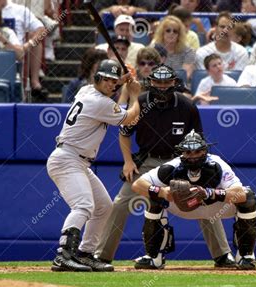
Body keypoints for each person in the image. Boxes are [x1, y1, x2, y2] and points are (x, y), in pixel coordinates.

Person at [95, 64, 236, 269]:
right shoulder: (141, 103)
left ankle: (223, 255)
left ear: (174, 83)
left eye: (166, 82)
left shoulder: (187, 106)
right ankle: (102, 255)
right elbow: (124, 134)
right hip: (147, 161)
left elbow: (198, 142)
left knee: (201, 197)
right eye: (157, 82)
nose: (162, 86)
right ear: (150, 82)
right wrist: (128, 161)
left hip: (181, 161)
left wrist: (195, 167)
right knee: (121, 202)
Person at [47, 59, 142, 272]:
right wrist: (134, 92)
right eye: (105, 80)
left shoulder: (85, 91)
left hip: (76, 160)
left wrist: (122, 81)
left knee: (104, 207)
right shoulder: (101, 103)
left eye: (112, 81)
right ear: (97, 79)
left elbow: (112, 95)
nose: (109, 84)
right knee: (83, 205)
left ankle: (85, 253)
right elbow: (130, 119)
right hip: (67, 159)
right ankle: (63, 255)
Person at [131, 130, 256, 270]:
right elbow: (137, 185)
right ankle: (154, 257)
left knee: (249, 197)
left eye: (197, 152)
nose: (192, 157)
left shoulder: (217, 163)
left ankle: (245, 256)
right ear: (182, 152)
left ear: (204, 151)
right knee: (154, 197)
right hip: (183, 207)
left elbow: (240, 193)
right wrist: (162, 192)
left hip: (215, 206)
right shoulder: (172, 166)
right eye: (188, 152)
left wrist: (209, 193)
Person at [0, 0, 48, 101]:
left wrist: (27, 46)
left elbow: (41, 30)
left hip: (14, 58)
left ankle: (33, 82)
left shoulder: (20, 10)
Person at [152, 15, 196, 80]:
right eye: (168, 30)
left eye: (175, 31)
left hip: (179, 86)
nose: (171, 33)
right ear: (162, 33)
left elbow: (185, 75)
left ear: (179, 35)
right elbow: (150, 72)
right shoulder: (153, 50)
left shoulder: (188, 51)